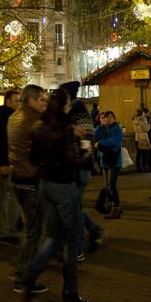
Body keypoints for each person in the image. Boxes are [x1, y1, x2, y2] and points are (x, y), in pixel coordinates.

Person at [20, 88, 91, 302]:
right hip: (64, 185)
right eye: (68, 103)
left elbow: (33, 158)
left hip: (45, 184)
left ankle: (30, 276)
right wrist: (86, 153)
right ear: (63, 106)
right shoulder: (65, 130)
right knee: (70, 240)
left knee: (53, 235)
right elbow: (72, 160)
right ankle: (70, 291)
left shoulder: (39, 128)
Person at [8, 84, 48, 294]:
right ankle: (24, 277)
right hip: (31, 180)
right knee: (35, 233)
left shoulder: (14, 117)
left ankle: (21, 271)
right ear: (31, 100)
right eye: (41, 99)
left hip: (17, 177)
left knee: (30, 230)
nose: (44, 103)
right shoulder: (34, 121)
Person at [58, 80, 103, 259]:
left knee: (73, 208)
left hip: (79, 168)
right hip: (78, 166)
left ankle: (77, 249)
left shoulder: (78, 111)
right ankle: (94, 230)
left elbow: (87, 138)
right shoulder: (75, 111)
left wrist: (82, 158)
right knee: (74, 206)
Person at [0, 88, 22, 241]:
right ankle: (7, 229)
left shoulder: (4, 116)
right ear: (8, 101)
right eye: (16, 101)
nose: (18, 103)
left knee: (4, 194)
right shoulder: (3, 118)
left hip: (5, 161)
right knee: (11, 194)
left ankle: (2, 228)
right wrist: (2, 163)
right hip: (5, 162)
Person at [94, 110, 124, 218]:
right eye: (106, 117)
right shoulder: (104, 129)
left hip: (114, 161)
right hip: (105, 160)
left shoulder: (117, 128)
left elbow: (114, 142)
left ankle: (116, 209)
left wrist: (100, 143)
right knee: (107, 187)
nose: (108, 119)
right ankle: (112, 208)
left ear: (114, 118)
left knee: (111, 186)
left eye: (110, 117)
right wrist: (101, 126)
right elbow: (96, 137)